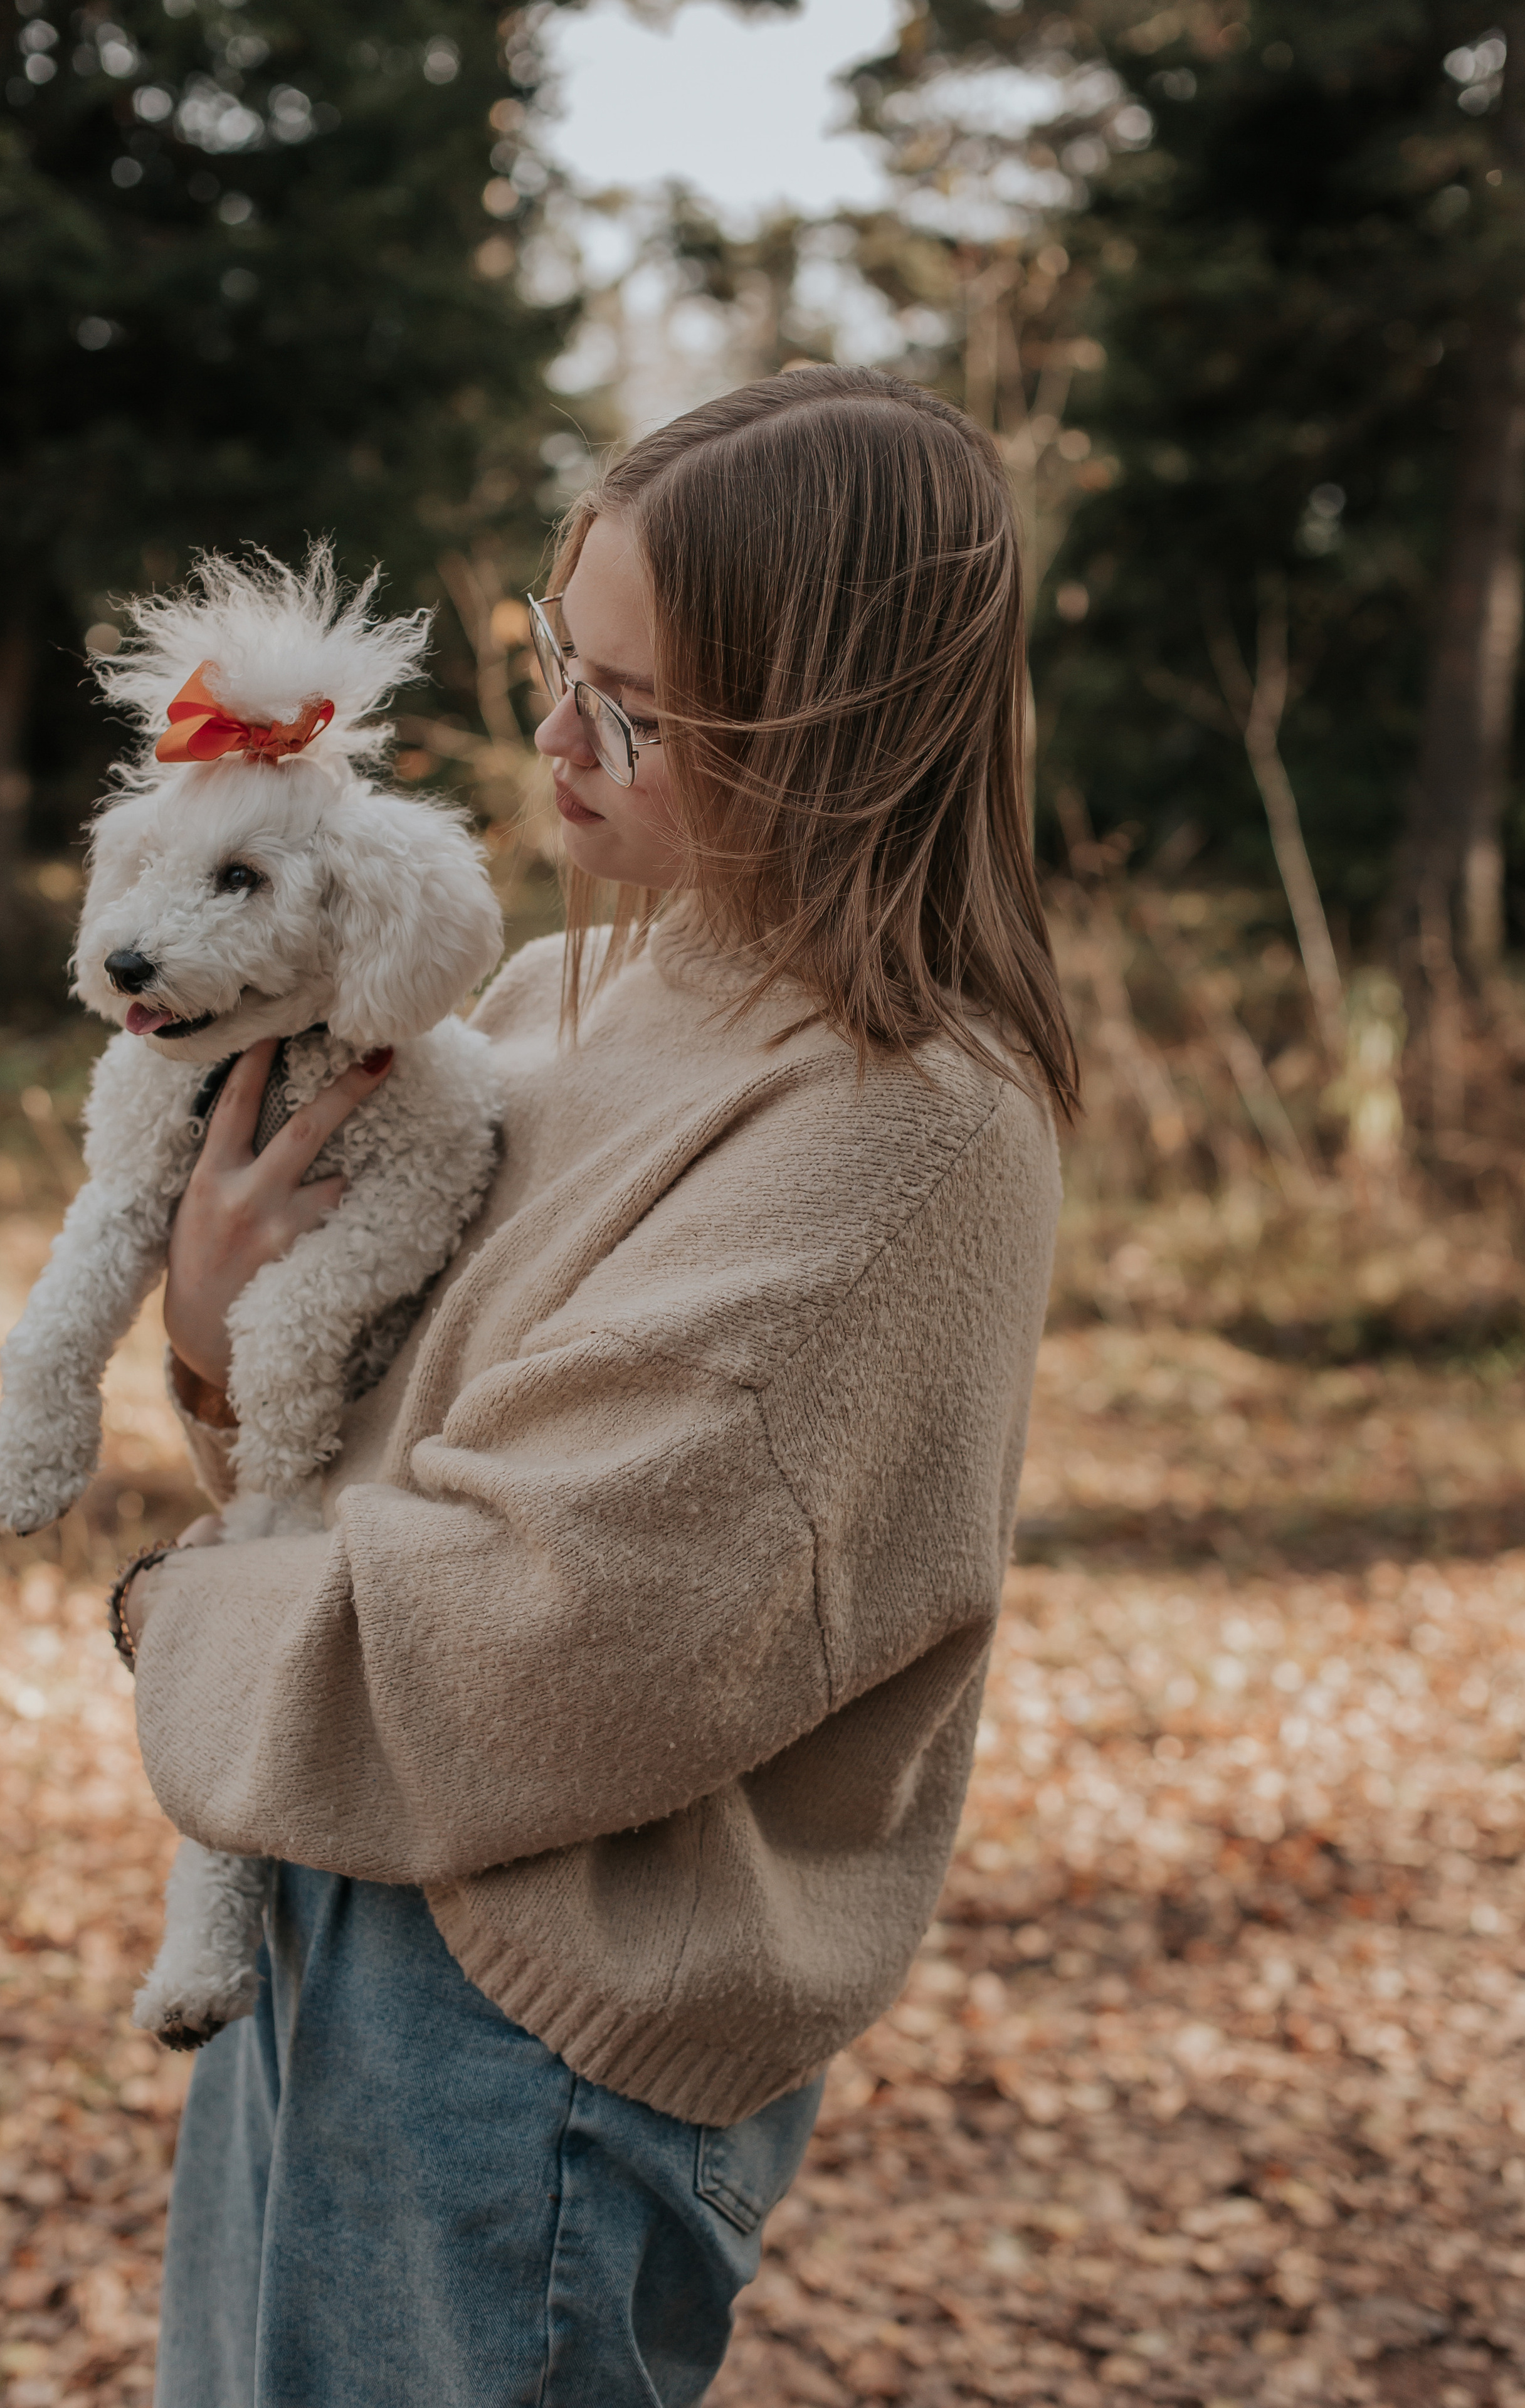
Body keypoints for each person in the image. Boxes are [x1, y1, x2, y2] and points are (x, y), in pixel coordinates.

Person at [124, 364, 1078, 2408]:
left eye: (633, 708)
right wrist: (209, 1331)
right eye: (563, 655)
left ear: (834, 729)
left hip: (521, 2028)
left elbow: (553, 1634)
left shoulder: (904, 1124)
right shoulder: (567, 1000)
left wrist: (166, 1613)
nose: (555, 734)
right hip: (324, 1886)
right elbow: (340, 1433)